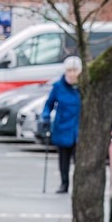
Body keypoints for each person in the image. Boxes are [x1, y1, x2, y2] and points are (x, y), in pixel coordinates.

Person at [41, 56, 83, 192]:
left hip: (80, 129)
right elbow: (49, 105)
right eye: (69, 71)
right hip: (63, 127)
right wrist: (46, 118)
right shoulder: (58, 87)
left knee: (80, 161)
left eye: (75, 70)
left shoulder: (84, 87)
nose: (72, 74)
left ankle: (79, 185)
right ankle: (64, 183)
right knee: (63, 159)